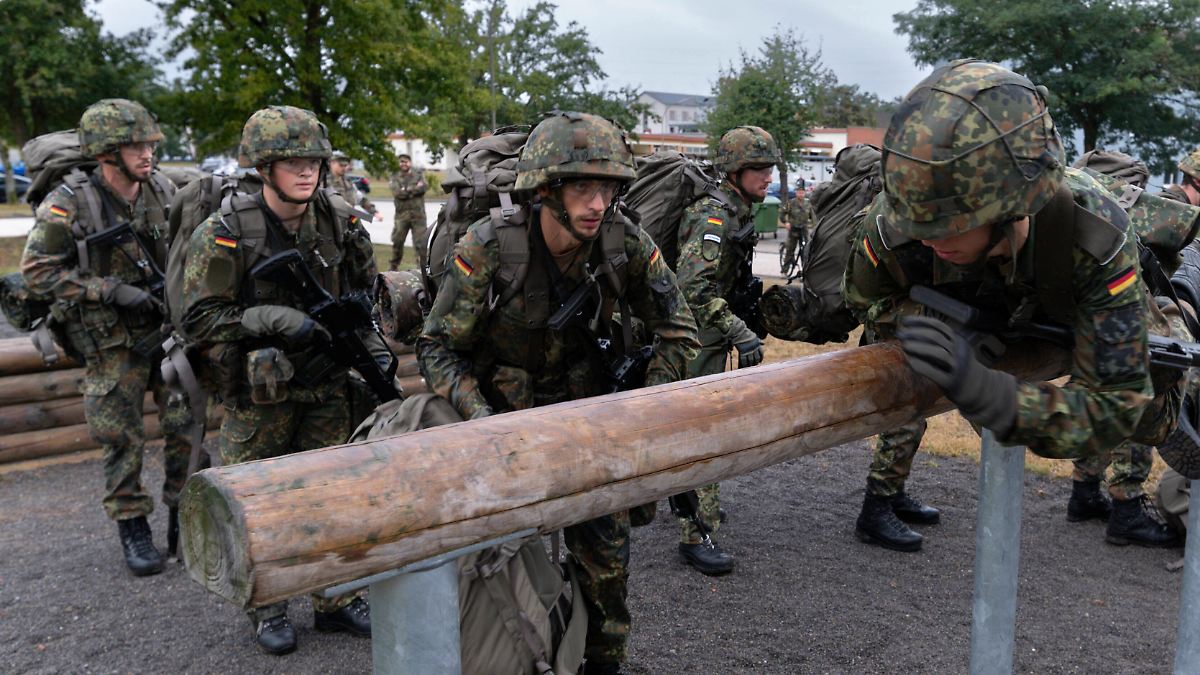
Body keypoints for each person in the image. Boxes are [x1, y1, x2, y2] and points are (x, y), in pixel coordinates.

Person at [843, 59, 1184, 552]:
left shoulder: (1093, 236)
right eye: (920, 222)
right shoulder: (900, 218)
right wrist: (933, 324)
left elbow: (1112, 409)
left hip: (1079, 314)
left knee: (1163, 403)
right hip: (1004, 311)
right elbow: (864, 298)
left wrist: (992, 394)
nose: (928, 236)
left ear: (1013, 205)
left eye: (951, 223)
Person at [418, 110, 699, 675]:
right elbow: (436, 348)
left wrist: (641, 407)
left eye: (606, 188)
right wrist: (481, 419)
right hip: (501, 428)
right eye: (581, 187)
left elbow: (680, 332)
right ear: (546, 191)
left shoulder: (624, 242)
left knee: (608, 571)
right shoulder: (492, 247)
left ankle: (603, 664)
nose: (597, 203)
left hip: (590, 428)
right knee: (491, 574)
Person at [180, 105, 387, 655]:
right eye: (291, 161)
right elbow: (197, 318)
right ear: (264, 167)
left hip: (326, 386)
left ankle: (335, 598)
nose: (307, 171)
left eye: (314, 160)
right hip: (259, 394)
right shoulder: (226, 231)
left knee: (328, 494)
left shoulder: (340, 222)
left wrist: (372, 351)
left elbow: (366, 295)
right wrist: (266, 319)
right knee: (260, 501)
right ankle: (266, 606)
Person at [21, 98, 194, 577]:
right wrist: (108, 290)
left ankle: (185, 514)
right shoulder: (70, 201)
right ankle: (132, 523)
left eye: (149, 143)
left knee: (186, 425)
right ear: (105, 154)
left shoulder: (161, 187)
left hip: (164, 331)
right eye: (135, 145)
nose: (147, 153)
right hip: (109, 341)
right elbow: (36, 272)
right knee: (121, 436)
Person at [668, 125, 773, 575]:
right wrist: (738, 330)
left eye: (770, 168)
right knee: (701, 433)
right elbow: (690, 285)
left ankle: (696, 509)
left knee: (704, 428)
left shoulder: (740, 208)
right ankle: (696, 532)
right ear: (735, 171)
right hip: (695, 338)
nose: (769, 177)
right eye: (759, 169)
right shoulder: (713, 214)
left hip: (709, 337)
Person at [388, 152, 429, 270]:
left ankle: (422, 269)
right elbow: (397, 193)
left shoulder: (419, 175)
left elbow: (424, 187)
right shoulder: (394, 177)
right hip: (402, 216)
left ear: (410, 163)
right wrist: (414, 189)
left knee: (420, 244)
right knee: (397, 242)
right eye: (401, 162)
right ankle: (393, 267)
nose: (403, 164)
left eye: (406, 161)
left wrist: (406, 190)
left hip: (418, 216)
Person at [327, 149, 377, 215]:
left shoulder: (348, 183)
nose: (344, 168)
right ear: (332, 163)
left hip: (347, 221)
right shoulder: (324, 182)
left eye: (345, 166)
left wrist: (374, 212)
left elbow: (360, 198)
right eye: (341, 165)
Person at [780, 183, 813, 275]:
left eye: (802, 192)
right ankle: (785, 270)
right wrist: (786, 222)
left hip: (804, 229)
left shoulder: (808, 204)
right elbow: (782, 213)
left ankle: (805, 272)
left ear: (805, 193)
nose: (801, 194)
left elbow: (813, 216)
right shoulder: (791, 203)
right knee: (790, 249)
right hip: (793, 229)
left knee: (806, 250)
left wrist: (815, 227)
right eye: (799, 192)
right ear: (796, 193)